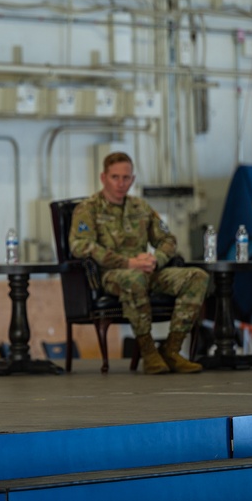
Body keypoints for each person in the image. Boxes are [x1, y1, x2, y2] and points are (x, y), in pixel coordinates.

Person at [68, 152, 209, 374]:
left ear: (133, 179)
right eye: (115, 177)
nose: (121, 183)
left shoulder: (141, 207)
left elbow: (167, 239)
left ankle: (172, 349)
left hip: (146, 270)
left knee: (197, 276)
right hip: (113, 275)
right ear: (103, 177)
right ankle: (148, 351)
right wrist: (127, 262)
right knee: (133, 279)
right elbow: (80, 246)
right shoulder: (88, 209)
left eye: (126, 177)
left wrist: (156, 259)